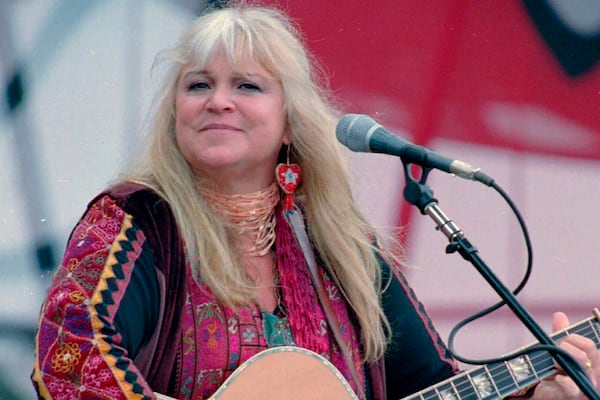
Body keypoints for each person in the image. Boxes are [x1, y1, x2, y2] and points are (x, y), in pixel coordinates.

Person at [31, 2, 599, 400]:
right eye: (198, 85)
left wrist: (535, 396)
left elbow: (430, 385)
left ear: (288, 122)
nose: (218, 102)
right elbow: (71, 354)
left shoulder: (342, 248)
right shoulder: (136, 221)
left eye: (247, 86)